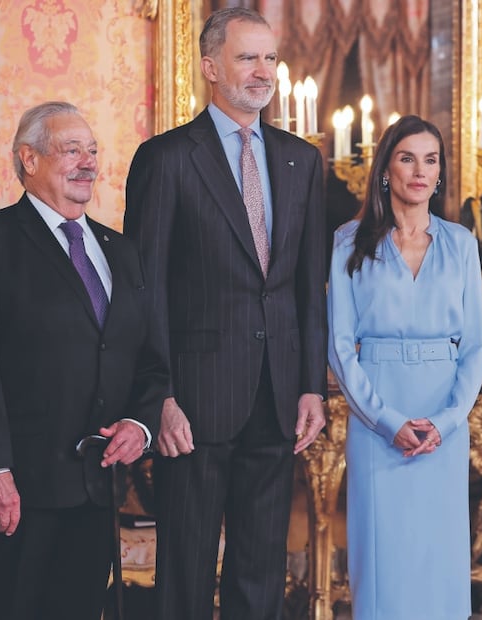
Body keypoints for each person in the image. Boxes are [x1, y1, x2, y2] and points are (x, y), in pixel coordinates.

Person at [124, 8, 328, 619]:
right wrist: (157, 394)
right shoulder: (166, 159)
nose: (263, 71)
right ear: (211, 67)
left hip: (277, 396)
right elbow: (146, 288)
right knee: (185, 571)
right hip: (193, 401)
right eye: (247, 58)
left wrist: (311, 386)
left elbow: (306, 288)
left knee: (261, 569)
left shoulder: (302, 160)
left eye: (270, 58)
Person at [0, 101, 167, 620]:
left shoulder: (121, 250)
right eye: (72, 150)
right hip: (19, 491)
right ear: (29, 158)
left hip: (99, 490)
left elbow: (149, 360)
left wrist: (140, 421)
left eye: (93, 151)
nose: (88, 162)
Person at [326, 115, 482, 620]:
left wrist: (445, 421)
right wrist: (387, 421)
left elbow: (474, 349)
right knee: (384, 563)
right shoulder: (349, 242)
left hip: (444, 424)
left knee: (437, 560)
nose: (420, 171)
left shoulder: (461, 243)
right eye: (407, 157)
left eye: (431, 159)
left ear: (440, 174)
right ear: (385, 169)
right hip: (379, 426)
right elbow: (338, 345)